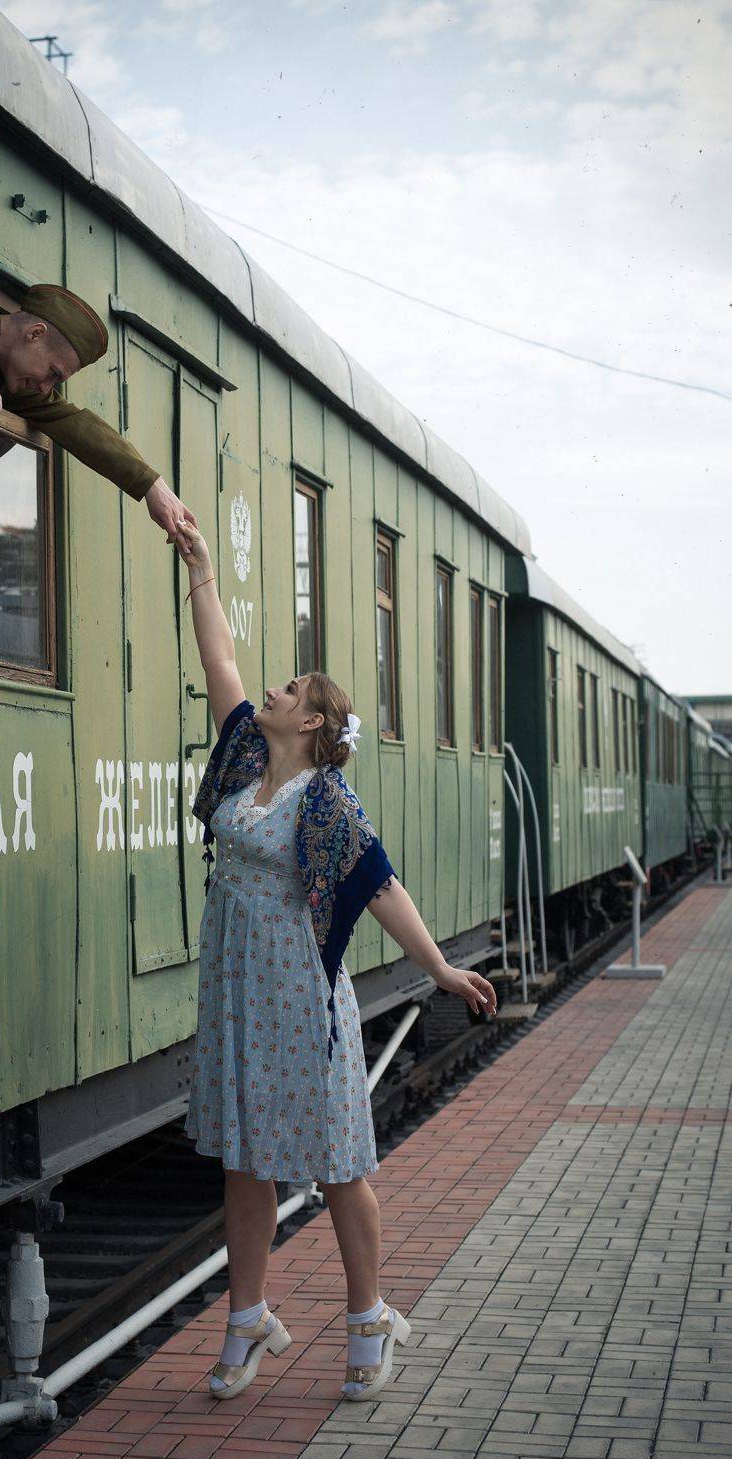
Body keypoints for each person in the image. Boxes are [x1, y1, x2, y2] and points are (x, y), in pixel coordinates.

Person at [172, 517, 498, 1404]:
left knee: (336, 1162)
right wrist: (201, 570)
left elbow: (382, 889)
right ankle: (248, 1320)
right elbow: (218, 657)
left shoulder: (328, 803)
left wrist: (439, 971)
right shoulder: (244, 757)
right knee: (243, 1159)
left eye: (287, 689)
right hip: (236, 993)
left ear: (311, 718)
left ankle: (367, 1319)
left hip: (299, 999)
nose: (268, 691)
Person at [0, 283, 194, 543]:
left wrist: (151, 484)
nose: (45, 387)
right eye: (52, 372)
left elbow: (75, 424)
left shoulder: (18, 383)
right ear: (35, 334)